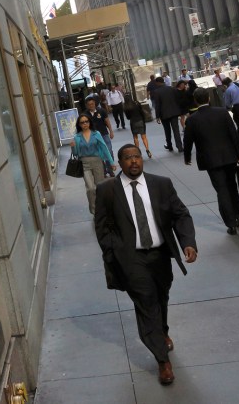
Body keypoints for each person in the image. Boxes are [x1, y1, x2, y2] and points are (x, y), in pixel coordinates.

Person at [94, 144, 198, 386]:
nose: (133, 161)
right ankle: (162, 360)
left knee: (161, 298)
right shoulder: (107, 190)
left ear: (142, 160)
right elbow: (102, 227)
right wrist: (115, 253)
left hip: (160, 255)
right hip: (131, 259)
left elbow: (181, 214)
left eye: (137, 157)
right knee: (146, 303)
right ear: (119, 163)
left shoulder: (161, 184)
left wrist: (187, 243)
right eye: (128, 158)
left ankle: (162, 330)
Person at [183, 88, 239, 235]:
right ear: (209, 99)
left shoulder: (192, 120)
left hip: (211, 160)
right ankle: (237, 217)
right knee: (232, 187)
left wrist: (187, 157)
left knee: (221, 190)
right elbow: (233, 133)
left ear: (195, 100)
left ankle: (230, 224)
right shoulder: (222, 112)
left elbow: (188, 141)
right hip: (229, 156)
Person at [70, 115, 116, 215]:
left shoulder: (96, 134)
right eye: (82, 122)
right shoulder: (77, 137)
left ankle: (103, 208)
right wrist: (73, 147)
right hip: (84, 163)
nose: (85, 123)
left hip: (97, 162)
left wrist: (111, 162)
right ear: (79, 124)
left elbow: (104, 148)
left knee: (100, 187)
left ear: (89, 122)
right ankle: (95, 211)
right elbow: (76, 153)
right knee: (90, 188)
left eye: (86, 121)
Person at [152, 77, 183, 152]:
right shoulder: (172, 89)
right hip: (174, 112)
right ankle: (179, 147)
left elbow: (157, 105)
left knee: (167, 130)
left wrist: (157, 116)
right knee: (176, 130)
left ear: (158, 83)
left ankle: (169, 145)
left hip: (164, 114)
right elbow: (177, 99)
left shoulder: (156, 92)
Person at [83, 96, 115, 165]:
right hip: (93, 136)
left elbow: (107, 121)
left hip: (104, 134)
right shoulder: (85, 114)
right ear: (86, 105)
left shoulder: (101, 111)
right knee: (99, 153)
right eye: (89, 104)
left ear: (95, 103)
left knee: (109, 150)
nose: (91, 106)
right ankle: (104, 169)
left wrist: (111, 132)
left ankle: (110, 166)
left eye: (92, 104)